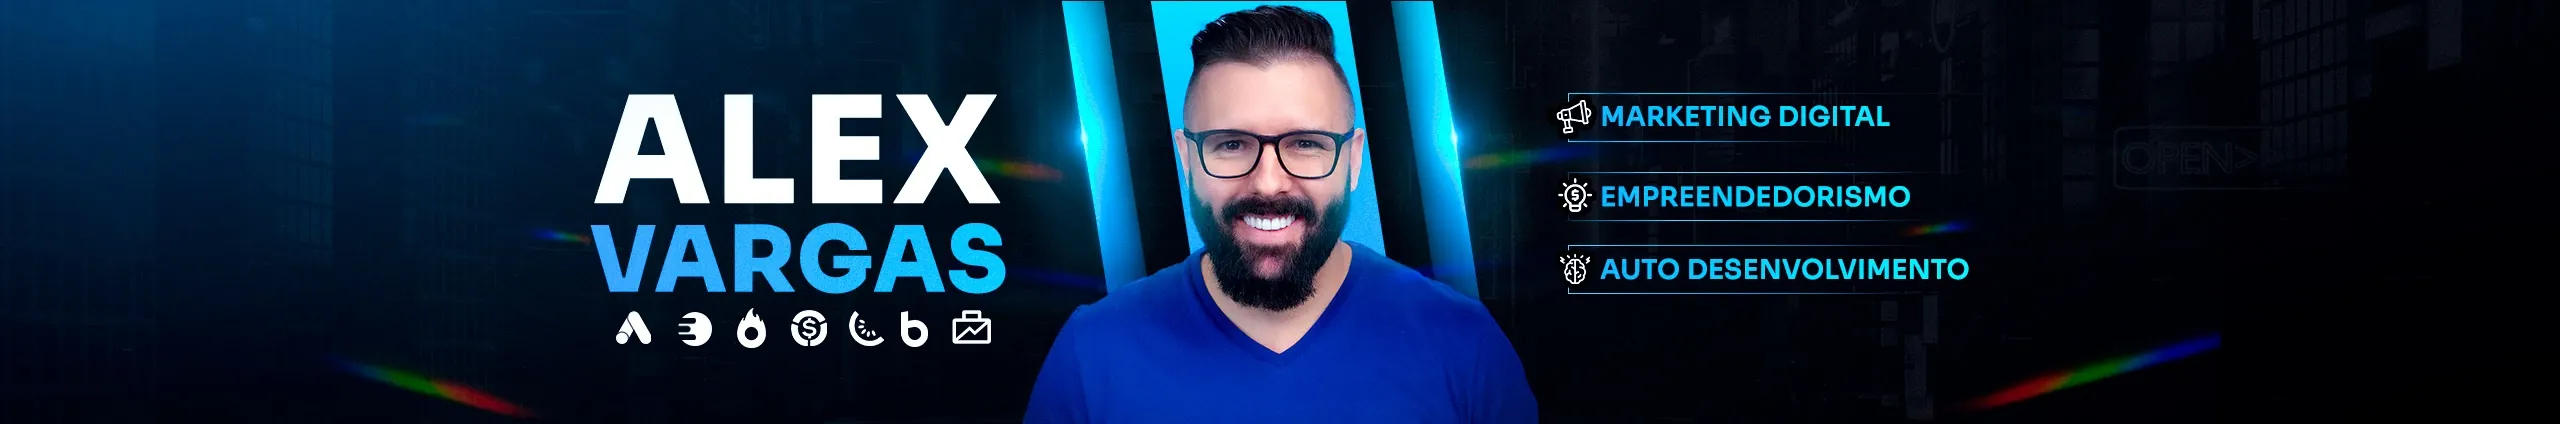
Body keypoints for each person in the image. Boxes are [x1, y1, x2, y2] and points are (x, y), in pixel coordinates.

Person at [1026, 5, 1536, 423]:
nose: (1268, 183)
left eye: (1306, 143)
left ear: (1353, 160)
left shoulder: (1464, 345)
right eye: (1231, 144)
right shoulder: (1091, 354)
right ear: (1186, 159)